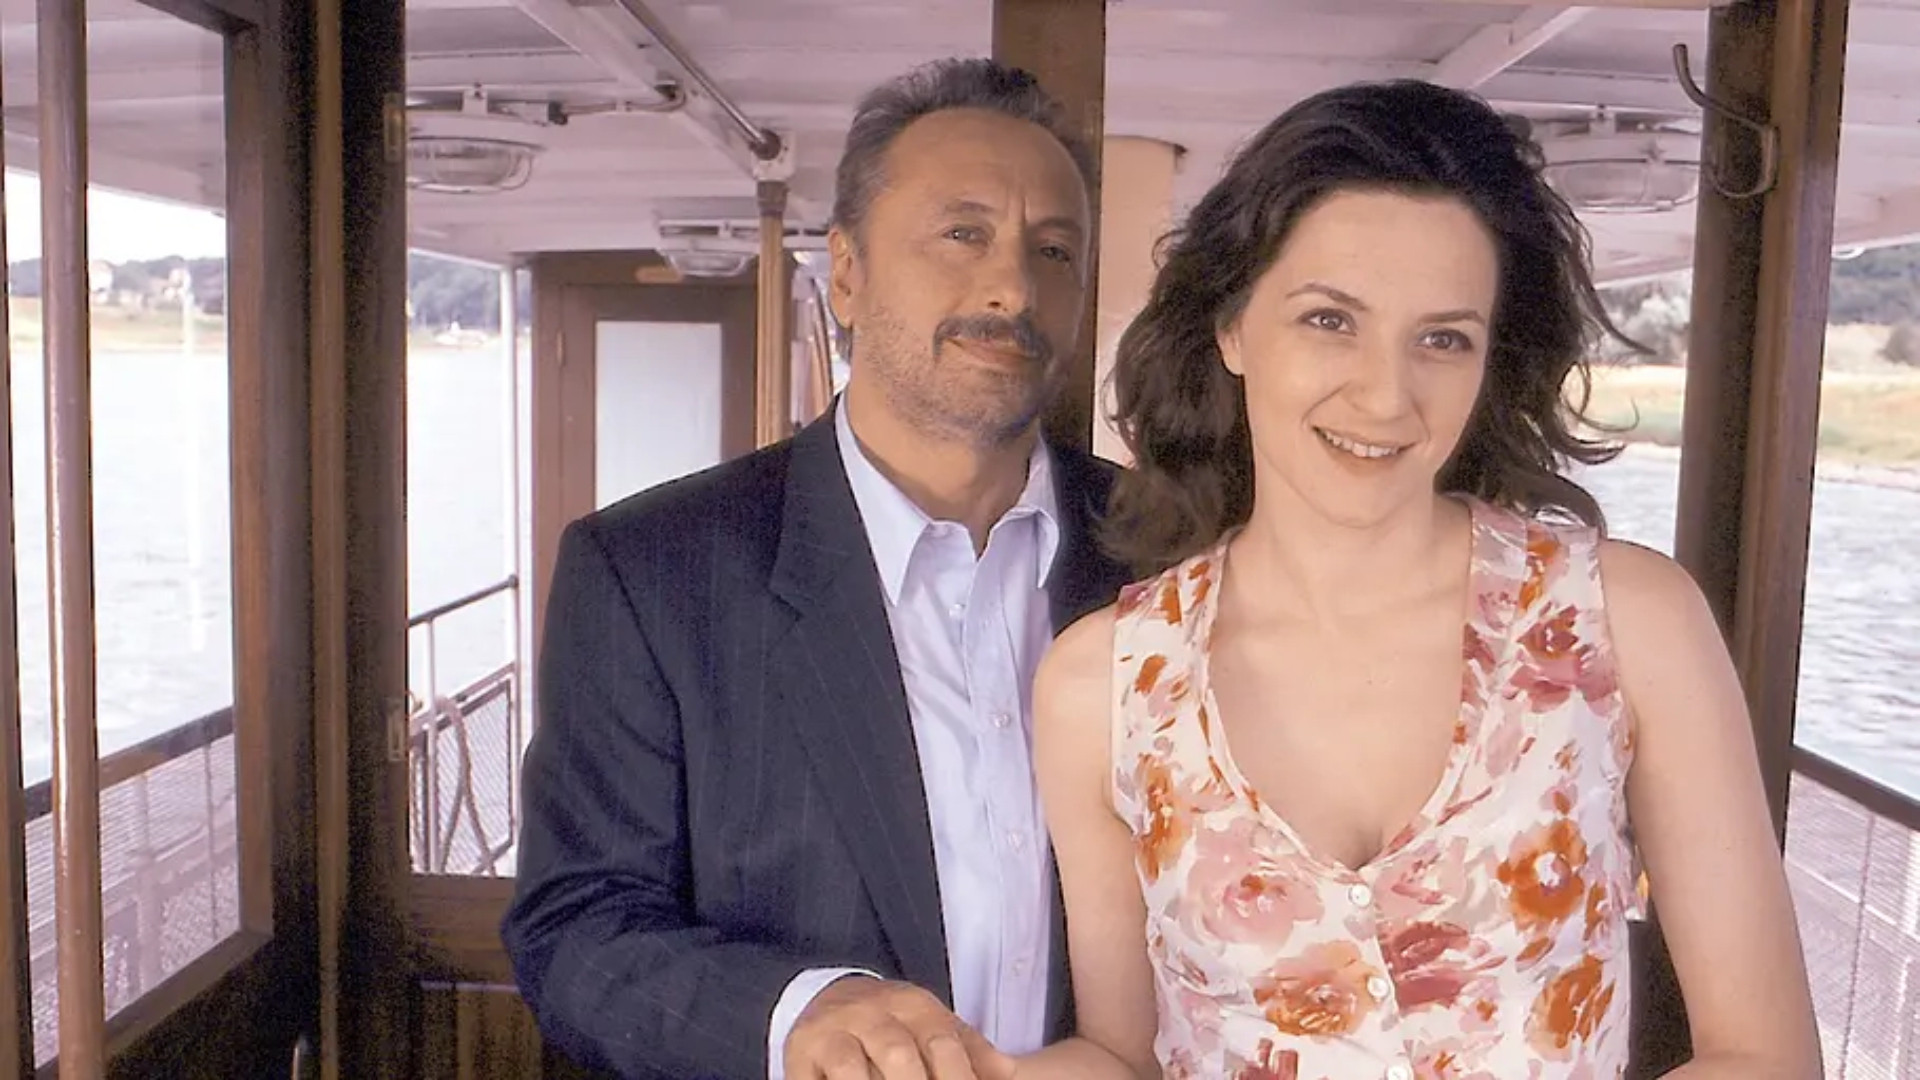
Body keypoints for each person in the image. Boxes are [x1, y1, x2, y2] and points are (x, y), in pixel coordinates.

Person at [969, 80, 1822, 1079]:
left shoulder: (1626, 619)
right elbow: (1123, 1056)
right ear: (1232, 328)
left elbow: (1764, 1055)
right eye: (1330, 320)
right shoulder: (1102, 686)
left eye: (1443, 338)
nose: (1385, 395)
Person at [501, 57, 1134, 1080]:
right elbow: (575, 929)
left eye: (1053, 250)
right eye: (962, 233)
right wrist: (794, 1012)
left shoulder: (1172, 559)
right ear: (846, 273)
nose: (1014, 287)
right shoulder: (652, 573)